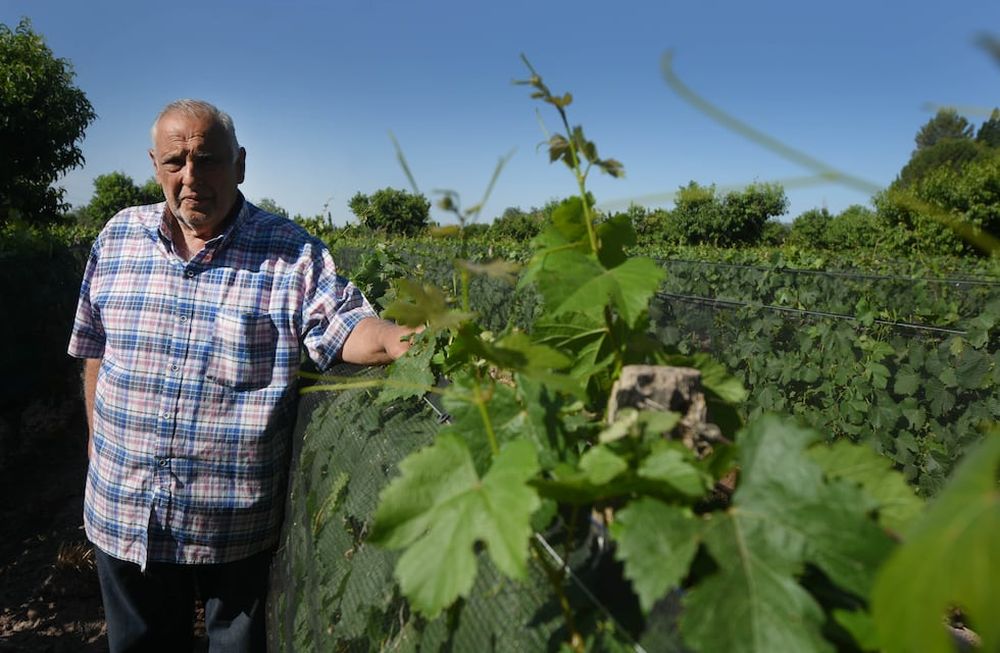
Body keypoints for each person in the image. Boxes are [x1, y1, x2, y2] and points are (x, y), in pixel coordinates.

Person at [67, 99, 416, 652]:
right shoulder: (117, 239)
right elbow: (94, 349)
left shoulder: (291, 253)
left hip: (233, 528)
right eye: (175, 163)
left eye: (208, 160)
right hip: (125, 509)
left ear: (241, 164)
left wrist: (419, 342)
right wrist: (94, 440)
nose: (191, 178)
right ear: (155, 165)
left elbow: (350, 327)